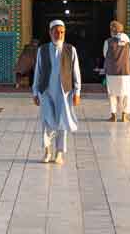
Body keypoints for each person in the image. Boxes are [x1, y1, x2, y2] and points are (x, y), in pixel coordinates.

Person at [32, 19, 81, 164]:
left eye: (62, 32)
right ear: (50, 33)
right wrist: (35, 92)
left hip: (64, 92)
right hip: (46, 91)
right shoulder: (42, 50)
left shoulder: (71, 50)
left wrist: (77, 92)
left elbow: (76, 72)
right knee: (47, 122)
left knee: (62, 122)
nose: (59, 34)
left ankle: (59, 153)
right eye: (56, 32)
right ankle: (47, 151)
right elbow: (38, 72)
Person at [103, 20, 130, 122]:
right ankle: (124, 115)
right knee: (126, 94)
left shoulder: (108, 42)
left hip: (112, 72)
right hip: (124, 71)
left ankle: (113, 115)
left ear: (112, 30)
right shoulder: (127, 41)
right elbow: (129, 55)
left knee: (112, 94)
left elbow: (105, 54)